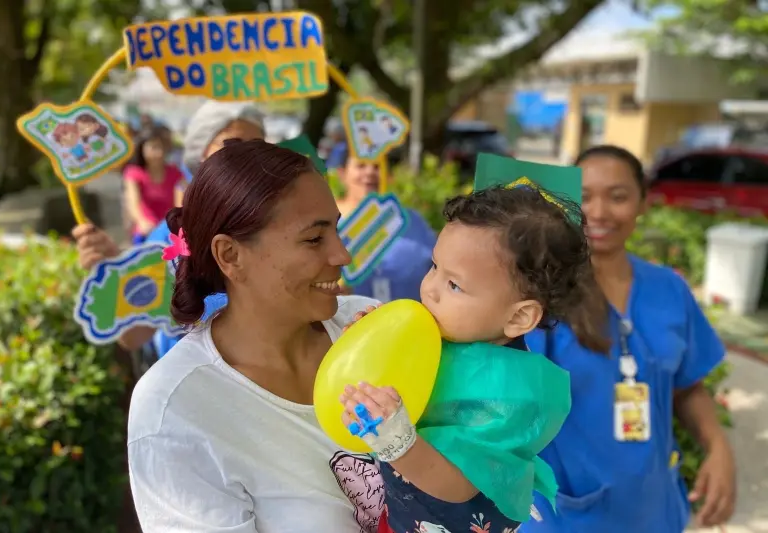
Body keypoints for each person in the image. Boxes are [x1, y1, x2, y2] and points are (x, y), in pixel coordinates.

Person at [127, 139, 384, 532]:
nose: (342, 255)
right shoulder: (176, 410)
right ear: (230, 256)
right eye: (314, 239)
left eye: (336, 230)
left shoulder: (370, 327)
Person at [339, 186, 609, 533]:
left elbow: (458, 484)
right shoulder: (445, 332)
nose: (430, 288)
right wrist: (367, 346)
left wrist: (394, 439)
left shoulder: (514, 394)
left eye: (454, 285)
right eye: (434, 266)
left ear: (518, 318)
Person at [519, 145, 736, 532]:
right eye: (584, 197)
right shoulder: (539, 295)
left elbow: (686, 387)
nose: (599, 212)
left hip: (652, 509)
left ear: (642, 203)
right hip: (566, 515)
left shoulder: (668, 289)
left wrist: (717, 448)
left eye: (617, 196)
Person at [71, 101, 266, 355]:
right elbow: (134, 336)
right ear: (201, 156)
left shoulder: (282, 227)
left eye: (259, 148)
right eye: (233, 145)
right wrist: (114, 277)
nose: (248, 158)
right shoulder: (169, 238)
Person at [331, 146, 436, 302]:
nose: (370, 172)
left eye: (377, 166)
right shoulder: (327, 223)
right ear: (342, 173)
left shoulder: (409, 220)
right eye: (361, 165)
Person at [123, 128, 185, 244]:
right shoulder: (134, 173)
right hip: (146, 232)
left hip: (170, 232)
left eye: (161, 147)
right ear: (142, 149)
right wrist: (142, 221)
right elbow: (133, 202)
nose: (159, 152)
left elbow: (181, 201)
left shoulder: (175, 173)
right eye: (154, 147)